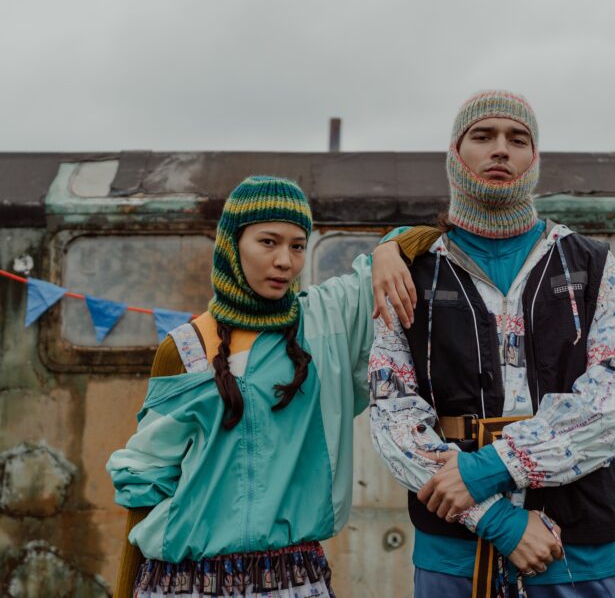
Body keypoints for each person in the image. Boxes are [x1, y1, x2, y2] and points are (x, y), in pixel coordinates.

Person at [369, 90, 615, 597]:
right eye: (483, 136)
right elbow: (392, 413)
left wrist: (488, 468)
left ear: (534, 159)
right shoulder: (411, 272)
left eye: (517, 139)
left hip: (579, 550)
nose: (501, 150)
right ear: (456, 153)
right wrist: (496, 519)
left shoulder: (591, 265)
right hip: (454, 553)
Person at [107, 175, 426, 597]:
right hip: (183, 582)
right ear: (232, 244)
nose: (285, 262)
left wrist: (390, 249)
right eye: (268, 242)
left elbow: (432, 236)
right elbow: (146, 482)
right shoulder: (184, 348)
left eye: (297, 246)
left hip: (294, 581)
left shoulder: (323, 325)